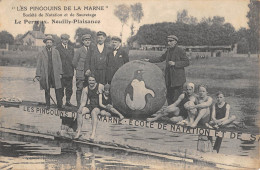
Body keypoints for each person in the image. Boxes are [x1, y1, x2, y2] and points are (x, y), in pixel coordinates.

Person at [143, 35, 189, 105]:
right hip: (169, 79)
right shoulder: (168, 51)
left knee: (177, 98)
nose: (169, 43)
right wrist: (149, 60)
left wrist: (175, 63)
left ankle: (179, 113)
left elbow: (186, 62)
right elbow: (161, 58)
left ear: (175, 42)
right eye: (168, 41)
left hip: (178, 80)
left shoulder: (180, 50)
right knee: (169, 97)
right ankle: (171, 113)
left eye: (171, 41)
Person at [35, 35, 63, 109]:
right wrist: (38, 75)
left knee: (58, 89)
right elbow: (39, 64)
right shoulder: (42, 52)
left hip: (55, 73)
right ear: (45, 43)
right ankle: (48, 105)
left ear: (52, 43)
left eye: (50, 42)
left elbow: (59, 62)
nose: (49, 44)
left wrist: (60, 73)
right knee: (47, 89)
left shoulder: (56, 52)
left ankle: (59, 105)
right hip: (46, 73)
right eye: (47, 42)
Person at [74, 74, 104, 140]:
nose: (91, 82)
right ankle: (78, 132)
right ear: (88, 81)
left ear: (95, 81)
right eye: (90, 80)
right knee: (80, 112)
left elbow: (107, 95)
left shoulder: (100, 86)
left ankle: (93, 134)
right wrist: (80, 108)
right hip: (91, 105)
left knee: (93, 113)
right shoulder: (86, 89)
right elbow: (84, 102)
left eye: (93, 80)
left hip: (98, 106)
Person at [72, 34, 92, 107]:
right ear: (83, 41)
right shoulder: (79, 50)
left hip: (89, 73)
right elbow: (74, 62)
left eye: (89, 40)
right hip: (80, 73)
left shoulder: (92, 50)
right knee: (79, 88)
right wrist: (79, 69)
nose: (87, 42)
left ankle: (86, 104)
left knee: (88, 89)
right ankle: (78, 104)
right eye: (86, 40)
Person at [56, 34, 74, 106]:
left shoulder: (71, 48)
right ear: (61, 40)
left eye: (66, 39)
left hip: (69, 71)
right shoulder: (57, 48)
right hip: (61, 72)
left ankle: (68, 101)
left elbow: (73, 60)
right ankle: (60, 102)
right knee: (61, 88)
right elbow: (56, 61)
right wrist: (58, 72)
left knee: (69, 88)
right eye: (64, 39)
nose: (65, 41)